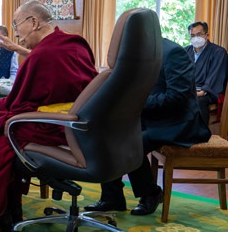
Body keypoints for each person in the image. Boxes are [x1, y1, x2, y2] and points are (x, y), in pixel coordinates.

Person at [0, 0, 98, 232]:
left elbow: (17, 103)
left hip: (50, 127)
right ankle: (9, 211)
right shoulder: (76, 44)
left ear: (34, 22)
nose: (17, 33)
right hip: (79, 126)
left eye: (17, 25)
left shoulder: (43, 55)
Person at [85, 38, 212, 215]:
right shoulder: (136, 53)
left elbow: (177, 98)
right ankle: (112, 197)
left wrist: (134, 103)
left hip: (178, 123)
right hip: (149, 118)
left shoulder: (173, 53)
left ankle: (151, 193)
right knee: (108, 135)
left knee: (131, 143)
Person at [184, 21, 227, 125]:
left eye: (199, 34)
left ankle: (200, 134)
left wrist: (203, 91)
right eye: (192, 35)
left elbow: (216, 74)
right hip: (188, 89)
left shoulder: (218, 52)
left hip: (208, 91)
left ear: (206, 35)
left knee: (199, 101)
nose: (195, 38)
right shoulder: (185, 51)